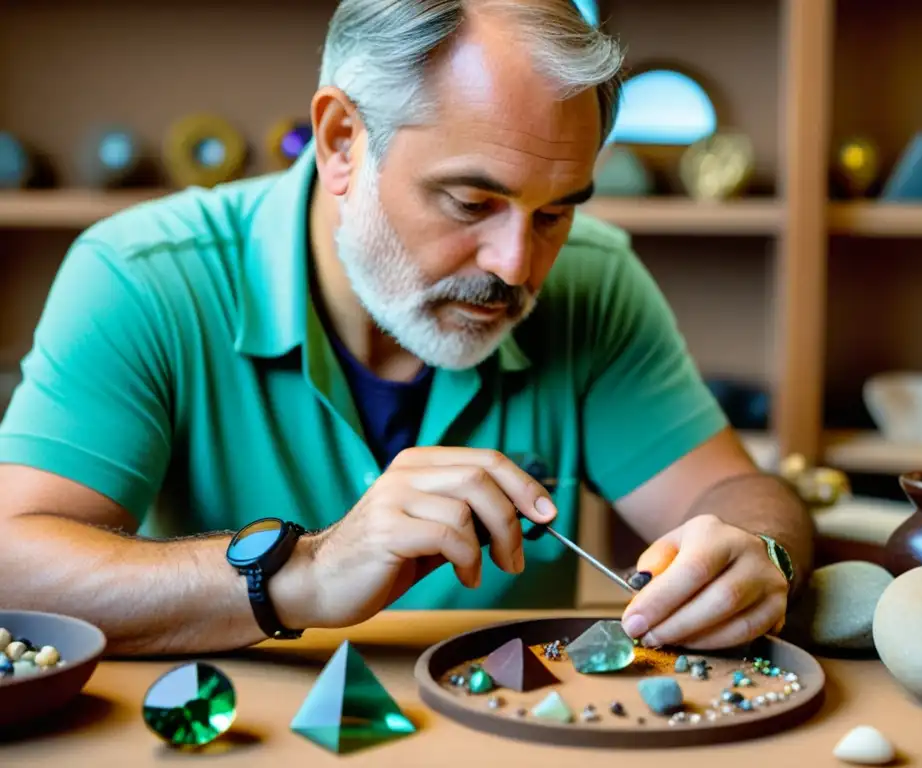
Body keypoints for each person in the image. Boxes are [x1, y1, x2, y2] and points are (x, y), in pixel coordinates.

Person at [0, 0, 814, 657]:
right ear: (342, 141)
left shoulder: (596, 280)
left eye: (556, 211)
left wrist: (757, 553)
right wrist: (304, 574)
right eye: (471, 203)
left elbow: (730, 491)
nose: (517, 265)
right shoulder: (145, 276)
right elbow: (12, 564)